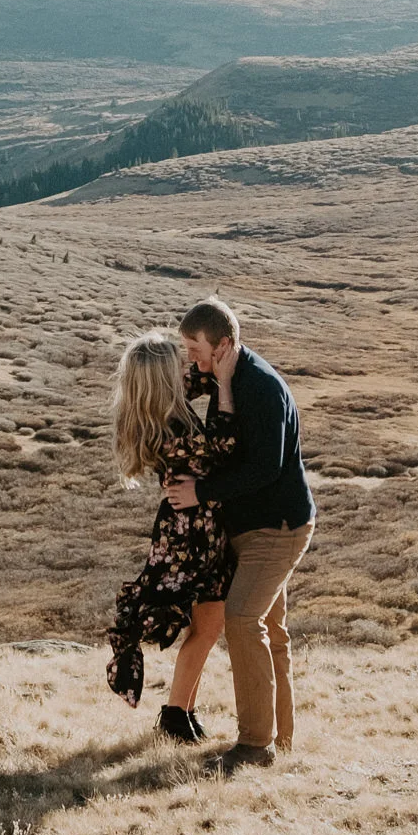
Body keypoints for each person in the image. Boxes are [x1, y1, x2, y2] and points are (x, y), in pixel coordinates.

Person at [161, 297, 313, 770]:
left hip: (276, 528)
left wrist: (201, 491)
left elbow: (265, 469)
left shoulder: (261, 388)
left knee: (243, 622)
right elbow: (178, 387)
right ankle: (280, 740)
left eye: (195, 348)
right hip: (254, 528)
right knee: (270, 631)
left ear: (223, 344)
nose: (191, 358)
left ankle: (253, 746)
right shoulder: (227, 373)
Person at [104, 331, 235, 742]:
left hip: (193, 530)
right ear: (163, 375)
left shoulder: (163, 406)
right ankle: (176, 717)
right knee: (208, 626)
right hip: (191, 535)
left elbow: (196, 380)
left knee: (207, 626)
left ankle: (183, 714)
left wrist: (215, 362)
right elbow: (224, 449)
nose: (186, 365)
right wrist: (228, 385)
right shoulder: (171, 423)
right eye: (177, 360)